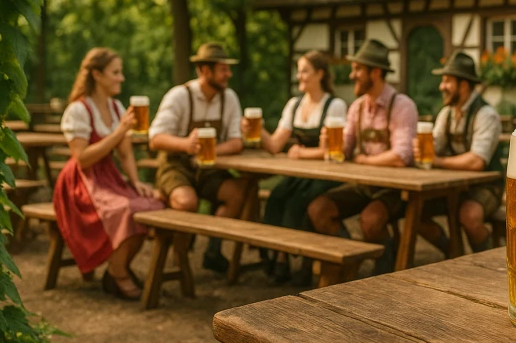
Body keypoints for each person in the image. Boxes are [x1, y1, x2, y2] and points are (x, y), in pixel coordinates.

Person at [54, 48, 165, 301]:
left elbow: (125, 154)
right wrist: (119, 132)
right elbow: (83, 159)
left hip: (109, 177)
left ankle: (117, 269)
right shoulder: (78, 110)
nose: (121, 78)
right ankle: (119, 273)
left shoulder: (116, 107)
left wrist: (136, 182)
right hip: (82, 182)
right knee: (125, 211)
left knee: (151, 205)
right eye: (115, 73)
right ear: (97, 74)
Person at [308, 39, 418, 275]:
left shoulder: (401, 105)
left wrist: (365, 161)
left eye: (357, 69)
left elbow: (401, 156)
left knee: (370, 220)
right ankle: (350, 261)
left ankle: (386, 272)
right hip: (364, 185)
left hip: (395, 189)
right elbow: (344, 151)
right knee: (319, 209)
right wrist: (329, 146)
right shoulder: (356, 107)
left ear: (375, 72)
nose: (351, 75)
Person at [245, 51, 347, 284]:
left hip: (327, 174)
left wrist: (302, 153)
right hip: (302, 174)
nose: (299, 76)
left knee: (297, 203)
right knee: (276, 197)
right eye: (298, 70)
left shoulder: (334, 105)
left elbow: (335, 150)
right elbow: (275, 145)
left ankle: (306, 263)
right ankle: (280, 259)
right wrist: (257, 130)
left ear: (320, 74)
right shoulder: (294, 105)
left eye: (304, 71)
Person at [149, 42, 250, 274]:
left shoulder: (229, 98)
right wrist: (185, 144)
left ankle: (213, 251)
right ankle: (181, 261)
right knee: (187, 202)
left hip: (209, 166)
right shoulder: (179, 96)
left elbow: (236, 142)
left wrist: (209, 152)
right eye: (223, 69)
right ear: (205, 71)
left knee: (237, 192)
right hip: (176, 164)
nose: (229, 75)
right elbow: (155, 138)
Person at [416, 52, 503, 255]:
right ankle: (453, 252)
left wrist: (437, 161)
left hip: (487, 185)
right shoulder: (446, 114)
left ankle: (488, 263)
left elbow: (477, 161)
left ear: (463, 85)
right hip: (456, 186)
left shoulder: (486, 115)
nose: (441, 87)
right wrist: (421, 147)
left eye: (447, 81)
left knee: (469, 216)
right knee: (415, 212)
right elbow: (435, 146)